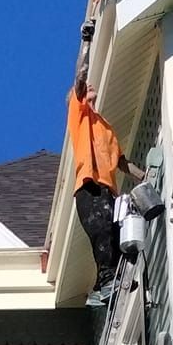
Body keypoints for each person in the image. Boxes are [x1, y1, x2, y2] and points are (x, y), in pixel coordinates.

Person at [67, 41, 146, 305]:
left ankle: (101, 290)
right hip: (89, 188)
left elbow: (123, 163)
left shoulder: (106, 128)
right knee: (101, 230)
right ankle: (106, 284)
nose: (90, 85)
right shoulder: (79, 114)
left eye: (91, 85)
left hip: (107, 190)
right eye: (84, 88)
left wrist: (146, 178)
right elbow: (80, 76)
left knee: (112, 235)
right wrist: (86, 43)